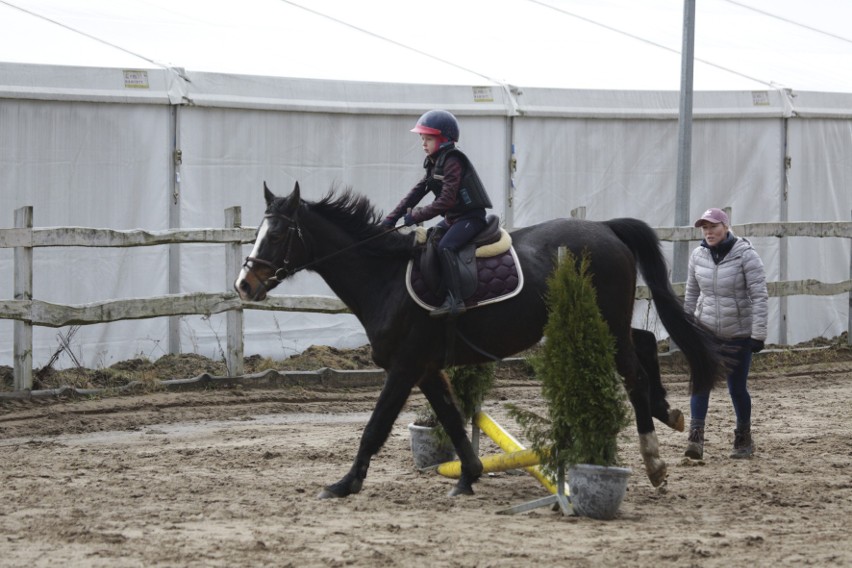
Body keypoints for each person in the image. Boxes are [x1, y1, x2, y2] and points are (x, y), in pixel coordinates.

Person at [381, 109, 493, 318]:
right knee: (432, 240)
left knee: (445, 247)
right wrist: (390, 219)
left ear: (444, 140)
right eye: (422, 138)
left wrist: (415, 216)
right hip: (453, 219)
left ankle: (455, 300)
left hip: (471, 218)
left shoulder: (452, 161)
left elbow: (446, 201)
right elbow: (416, 193)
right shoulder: (434, 162)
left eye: (428, 138)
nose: (423, 143)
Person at [683, 207, 769, 460]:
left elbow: (759, 296)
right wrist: (687, 329)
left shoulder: (746, 255)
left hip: (737, 334)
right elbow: (691, 294)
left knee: (737, 388)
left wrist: (758, 334)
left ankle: (743, 437)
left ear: (726, 227)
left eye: (713, 227)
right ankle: (695, 439)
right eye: (705, 228)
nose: (708, 232)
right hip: (706, 332)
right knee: (701, 384)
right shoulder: (697, 255)